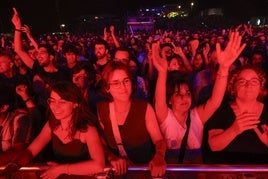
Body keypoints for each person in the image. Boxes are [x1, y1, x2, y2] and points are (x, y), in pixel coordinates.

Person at [152, 31, 246, 164]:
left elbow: (215, 101)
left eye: (188, 93)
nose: (184, 98)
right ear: (169, 100)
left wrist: (224, 69)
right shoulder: (165, 117)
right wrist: (162, 73)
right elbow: (159, 101)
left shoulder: (196, 116)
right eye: (178, 94)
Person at [4, 81, 105, 178]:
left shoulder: (87, 129)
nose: (55, 107)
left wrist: (62, 169)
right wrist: (13, 165)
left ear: (75, 104)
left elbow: (98, 165)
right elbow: (30, 151)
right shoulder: (52, 124)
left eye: (62, 102)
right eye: (52, 101)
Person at [97, 61, 166, 178]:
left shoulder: (144, 108)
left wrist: (159, 156)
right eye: (116, 83)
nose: (123, 87)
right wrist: (111, 157)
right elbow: (101, 142)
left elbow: (159, 140)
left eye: (126, 81)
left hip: (144, 173)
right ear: (107, 87)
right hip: (117, 174)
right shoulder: (101, 109)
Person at [204, 65, 268, 163]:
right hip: (228, 173)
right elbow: (214, 146)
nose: (248, 85)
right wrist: (234, 130)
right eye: (242, 81)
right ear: (233, 87)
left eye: (254, 81)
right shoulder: (221, 110)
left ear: (260, 87)